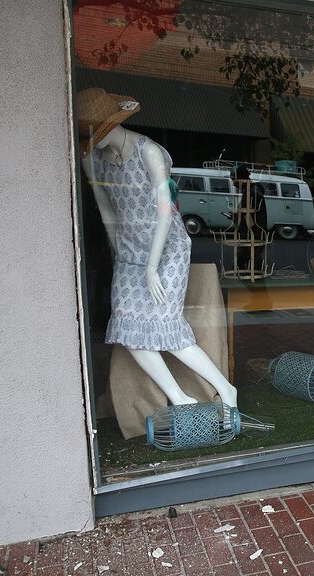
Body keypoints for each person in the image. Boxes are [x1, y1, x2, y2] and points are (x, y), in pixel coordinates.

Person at [77, 87, 238, 408]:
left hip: (168, 249)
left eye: (101, 133)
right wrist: (119, 252)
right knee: (127, 326)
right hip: (128, 251)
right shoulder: (92, 158)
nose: (97, 142)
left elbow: (167, 210)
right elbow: (105, 208)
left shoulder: (148, 151)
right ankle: (179, 398)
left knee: (166, 324)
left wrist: (151, 266)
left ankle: (226, 389)